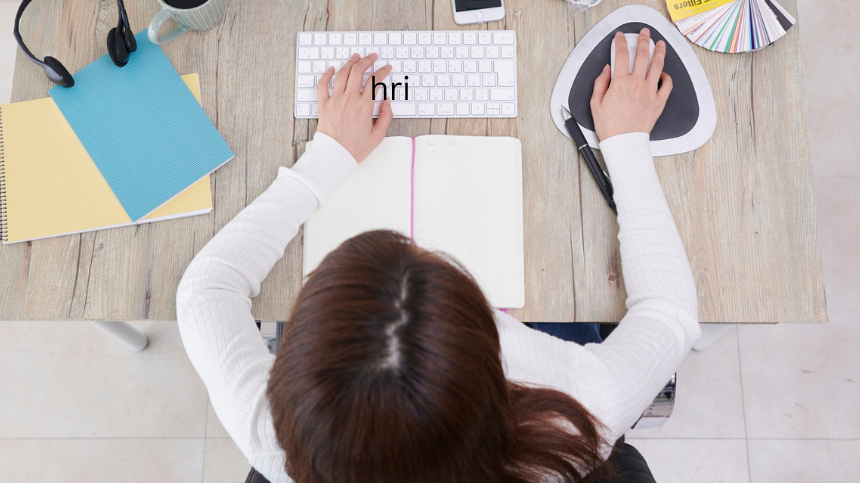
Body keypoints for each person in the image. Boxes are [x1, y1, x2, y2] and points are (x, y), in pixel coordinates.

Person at [177, 28, 701, 483]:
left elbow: (207, 288)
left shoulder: (278, 444)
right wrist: (627, 143)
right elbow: (669, 314)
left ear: (291, 389)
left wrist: (327, 157)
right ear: (494, 360)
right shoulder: (578, 410)